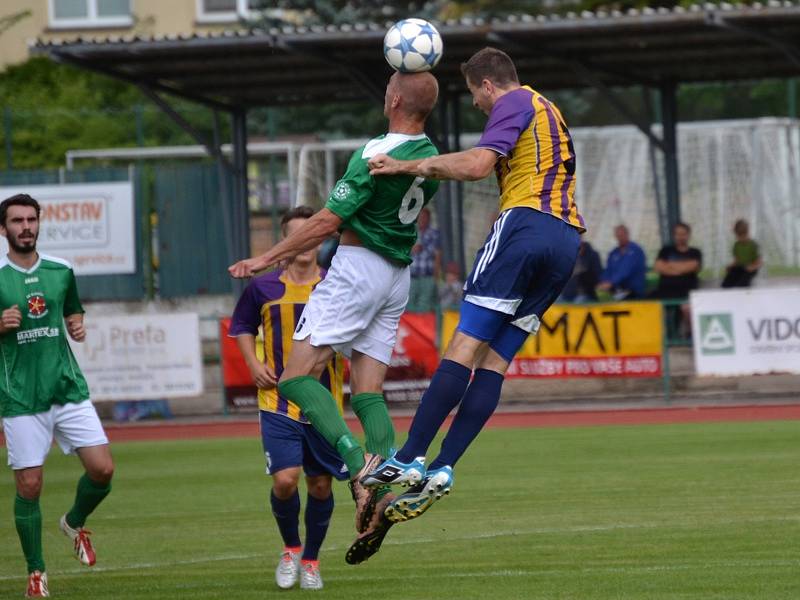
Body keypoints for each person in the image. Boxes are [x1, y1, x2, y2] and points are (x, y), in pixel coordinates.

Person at [363, 47, 585, 524]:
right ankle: (442, 468)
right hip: (566, 242)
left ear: (488, 85)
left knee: (464, 346)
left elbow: (479, 164)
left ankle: (409, 457)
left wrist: (405, 165)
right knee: (496, 361)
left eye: (474, 96)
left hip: (525, 226)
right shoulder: (549, 109)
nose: (479, 106)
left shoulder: (512, 102)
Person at [228, 70, 440, 564]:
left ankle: (357, 465)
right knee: (367, 391)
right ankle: (384, 478)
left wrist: (266, 258)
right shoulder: (431, 156)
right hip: (396, 276)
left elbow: (326, 221)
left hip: (358, 269)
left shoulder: (375, 152)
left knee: (295, 378)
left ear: (392, 98)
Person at [0, 194, 114, 598]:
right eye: (17, 221)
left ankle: (74, 522)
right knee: (30, 486)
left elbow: (72, 310)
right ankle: (36, 573)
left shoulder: (61, 270)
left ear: (39, 224)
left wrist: (77, 324)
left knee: (103, 471)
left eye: (31, 219)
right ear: (4, 228)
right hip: (20, 398)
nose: (26, 226)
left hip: (67, 389)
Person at [228, 206, 345, 590]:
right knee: (285, 480)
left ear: (320, 239)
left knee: (321, 486)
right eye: (297, 234)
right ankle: (291, 548)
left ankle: (311, 560)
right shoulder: (263, 287)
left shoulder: (335, 284)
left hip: (323, 404)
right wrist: (252, 361)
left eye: (312, 234)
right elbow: (242, 325)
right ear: (286, 242)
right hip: (276, 402)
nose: (306, 242)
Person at [650, 221, 703, 337]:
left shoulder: (695, 252)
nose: (680, 237)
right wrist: (681, 269)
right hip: (665, 290)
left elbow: (693, 266)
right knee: (645, 303)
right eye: (678, 234)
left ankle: (688, 336)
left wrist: (669, 266)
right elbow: (658, 267)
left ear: (688, 235)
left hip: (686, 291)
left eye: (683, 234)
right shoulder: (665, 251)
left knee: (687, 308)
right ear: (674, 235)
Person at [597, 224, 647, 299]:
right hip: (616, 290)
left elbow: (626, 270)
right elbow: (608, 270)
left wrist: (611, 283)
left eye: (622, 235)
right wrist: (603, 281)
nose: (620, 238)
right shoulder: (614, 253)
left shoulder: (636, 250)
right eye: (618, 236)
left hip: (633, 291)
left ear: (627, 234)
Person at [408, 207, 441, 311]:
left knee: (424, 306)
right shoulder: (410, 231)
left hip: (427, 276)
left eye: (425, 217)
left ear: (429, 219)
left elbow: (438, 255)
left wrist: (436, 276)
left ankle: (421, 327)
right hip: (411, 275)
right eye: (420, 217)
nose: (422, 219)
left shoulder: (434, 233)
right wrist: (411, 249)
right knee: (408, 304)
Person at [721, 219, 761, 288]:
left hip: (750, 268)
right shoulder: (736, 245)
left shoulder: (753, 245)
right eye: (738, 236)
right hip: (740, 267)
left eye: (743, 236)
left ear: (747, 233)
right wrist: (731, 266)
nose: (740, 238)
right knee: (725, 284)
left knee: (742, 284)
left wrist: (752, 267)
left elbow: (758, 262)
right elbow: (737, 260)